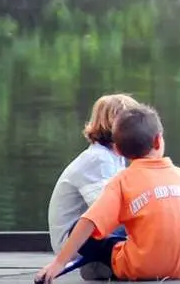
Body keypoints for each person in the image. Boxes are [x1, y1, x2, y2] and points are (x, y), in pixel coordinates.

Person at [34, 103, 180, 283]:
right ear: (158, 140)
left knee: (83, 234)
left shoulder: (122, 181)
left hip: (140, 267)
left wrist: (59, 263)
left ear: (118, 149)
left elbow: (90, 221)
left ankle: (101, 266)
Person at [46, 94, 138, 256]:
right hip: (73, 242)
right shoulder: (99, 160)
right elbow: (106, 211)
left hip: (87, 235)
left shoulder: (116, 157)